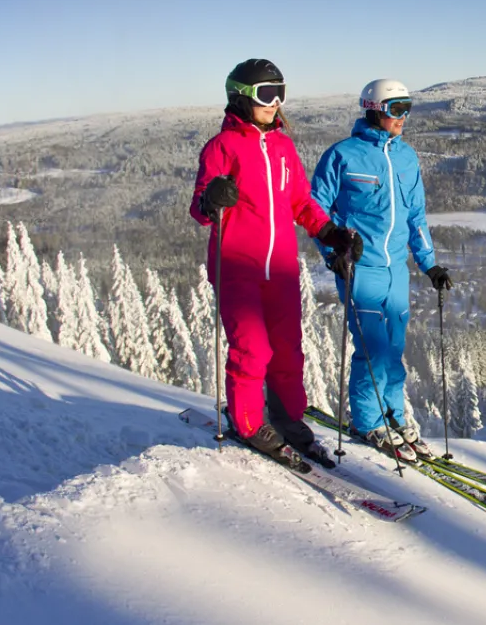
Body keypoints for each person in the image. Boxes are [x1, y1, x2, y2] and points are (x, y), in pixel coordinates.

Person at [190, 58, 361, 468]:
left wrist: (331, 233)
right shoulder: (222, 148)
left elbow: (301, 202)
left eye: (281, 91)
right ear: (241, 97)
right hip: (237, 266)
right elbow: (199, 208)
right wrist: (212, 198)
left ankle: (288, 421)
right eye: (267, 94)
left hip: (281, 269)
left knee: (287, 352)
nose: (276, 102)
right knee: (252, 350)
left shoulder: (283, 147)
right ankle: (248, 423)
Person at [310, 78, 453, 461]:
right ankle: (368, 421)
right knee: (372, 349)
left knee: (393, 349)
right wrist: (332, 251)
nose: (404, 117)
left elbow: (416, 217)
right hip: (360, 269)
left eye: (408, 107)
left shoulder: (407, 158)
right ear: (374, 110)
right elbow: (314, 211)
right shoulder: (342, 155)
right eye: (396, 109)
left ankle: (393, 417)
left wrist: (429, 264)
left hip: (397, 270)